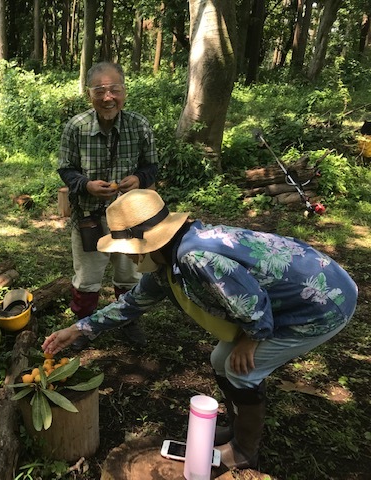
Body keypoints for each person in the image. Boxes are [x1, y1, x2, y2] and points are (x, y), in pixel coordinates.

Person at [43, 189, 357, 470]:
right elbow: (131, 305)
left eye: (125, 247)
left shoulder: (195, 256)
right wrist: (78, 329)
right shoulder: (167, 259)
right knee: (221, 359)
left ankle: (245, 451)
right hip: (291, 300)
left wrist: (252, 340)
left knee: (243, 369)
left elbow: (252, 301)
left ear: (144, 242)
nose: (124, 254)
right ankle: (237, 429)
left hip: (321, 304)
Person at [57, 61, 160, 350]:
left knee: (129, 274)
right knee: (87, 277)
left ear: (124, 92)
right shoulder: (76, 127)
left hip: (131, 217)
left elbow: (152, 166)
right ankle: (82, 327)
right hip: (90, 217)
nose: (107, 97)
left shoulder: (138, 126)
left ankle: (128, 320)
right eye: (99, 90)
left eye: (114, 89)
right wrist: (86, 185)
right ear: (89, 94)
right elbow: (66, 169)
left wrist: (139, 178)